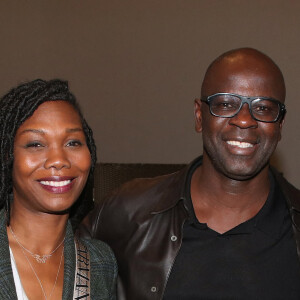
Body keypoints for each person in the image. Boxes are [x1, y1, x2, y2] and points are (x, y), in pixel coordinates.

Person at [79, 48, 300, 299]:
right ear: (199, 116)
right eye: (226, 104)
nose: (244, 120)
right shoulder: (126, 212)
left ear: (280, 126)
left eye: (263, 108)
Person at [0, 79, 117, 299]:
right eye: (36, 144)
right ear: (8, 156)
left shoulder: (100, 262)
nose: (58, 160)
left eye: (73, 142)